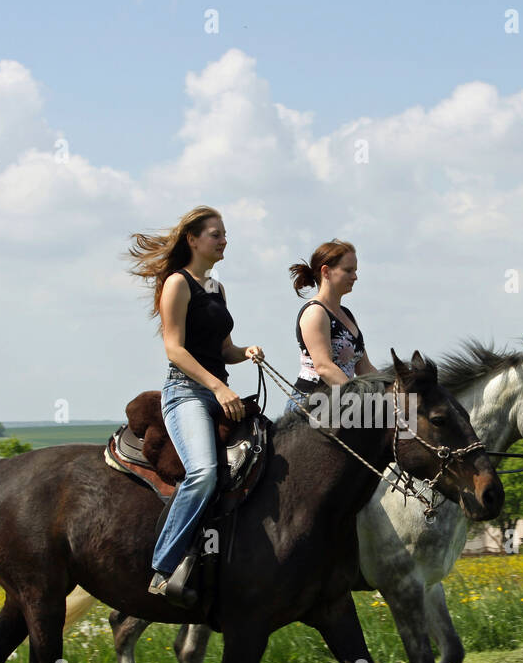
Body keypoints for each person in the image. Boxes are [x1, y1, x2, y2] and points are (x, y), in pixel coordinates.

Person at [127, 206, 263, 599]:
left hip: (219, 391)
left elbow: (222, 349)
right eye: (216, 234)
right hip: (185, 392)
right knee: (203, 473)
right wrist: (219, 388)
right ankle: (164, 568)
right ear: (193, 239)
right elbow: (175, 350)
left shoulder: (217, 289)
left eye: (224, 235)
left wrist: (246, 351)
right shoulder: (177, 283)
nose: (224, 241)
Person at [285, 239, 376, 416]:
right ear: (326, 271)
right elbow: (324, 367)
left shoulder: (347, 314)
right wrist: (361, 399)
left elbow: (364, 368)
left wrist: (396, 389)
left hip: (340, 402)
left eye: (355, 271)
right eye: (348, 270)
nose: (355, 277)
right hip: (312, 404)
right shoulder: (315, 312)